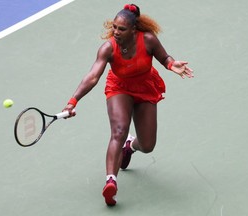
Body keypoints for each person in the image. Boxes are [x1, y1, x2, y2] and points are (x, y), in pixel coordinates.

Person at [63, 3, 193, 206]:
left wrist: (171, 64)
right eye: (114, 27)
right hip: (119, 88)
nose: (115, 32)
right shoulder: (108, 48)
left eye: (121, 29)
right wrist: (73, 101)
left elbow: (164, 57)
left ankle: (130, 146)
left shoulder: (148, 40)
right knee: (119, 130)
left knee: (148, 145)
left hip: (145, 87)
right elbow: (92, 77)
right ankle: (111, 181)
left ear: (134, 30)